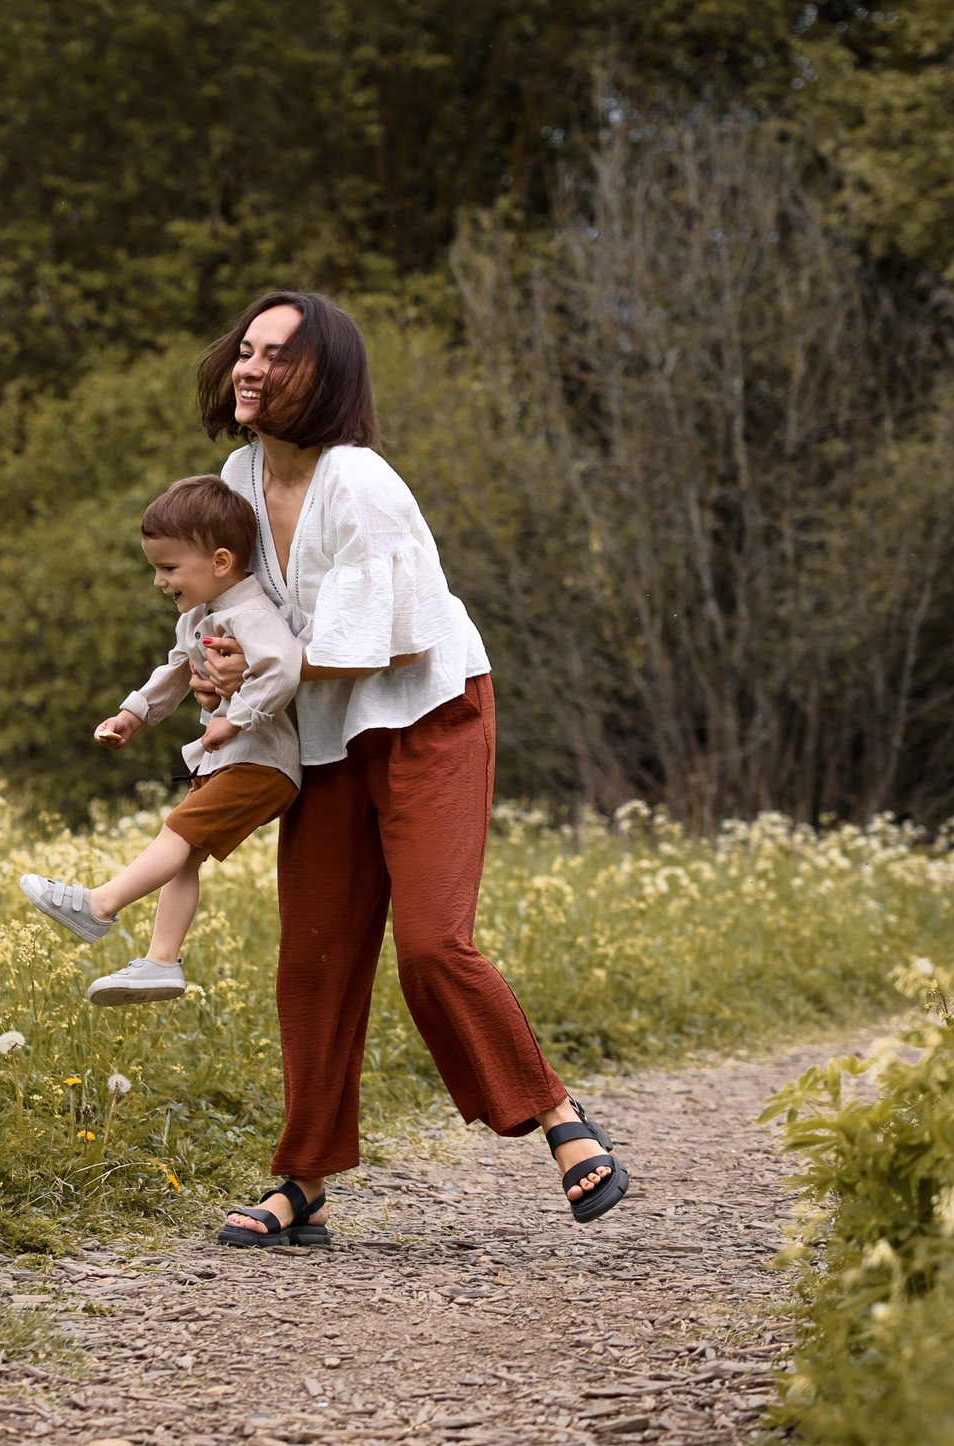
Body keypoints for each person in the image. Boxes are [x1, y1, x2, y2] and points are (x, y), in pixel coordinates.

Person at [190, 290, 630, 1250]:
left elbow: (362, 647)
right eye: (247, 351)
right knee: (313, 957)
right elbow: (251, 614)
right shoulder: (235, 473)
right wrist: (220, 666)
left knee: (434, 944)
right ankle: (301, 1184)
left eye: (278, 356)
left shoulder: (363, 484)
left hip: (428, 716)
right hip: (326, 732)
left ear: (326, 377)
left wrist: (265, 666)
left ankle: (556, 1115)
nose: (251, 369)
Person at [17, 475, 302, 1005]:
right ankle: (161, 963)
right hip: (235, 759)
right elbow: (175, 671)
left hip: (264, 761)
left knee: (178, 829)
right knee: (185, 854)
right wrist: (134, 714)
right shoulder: (199, 615)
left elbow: (283, 669)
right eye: (155, 567)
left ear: (220, 562)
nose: (158, 581)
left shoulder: (251, 613)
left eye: (168, 568)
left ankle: (99, 906)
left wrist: (236, 718)